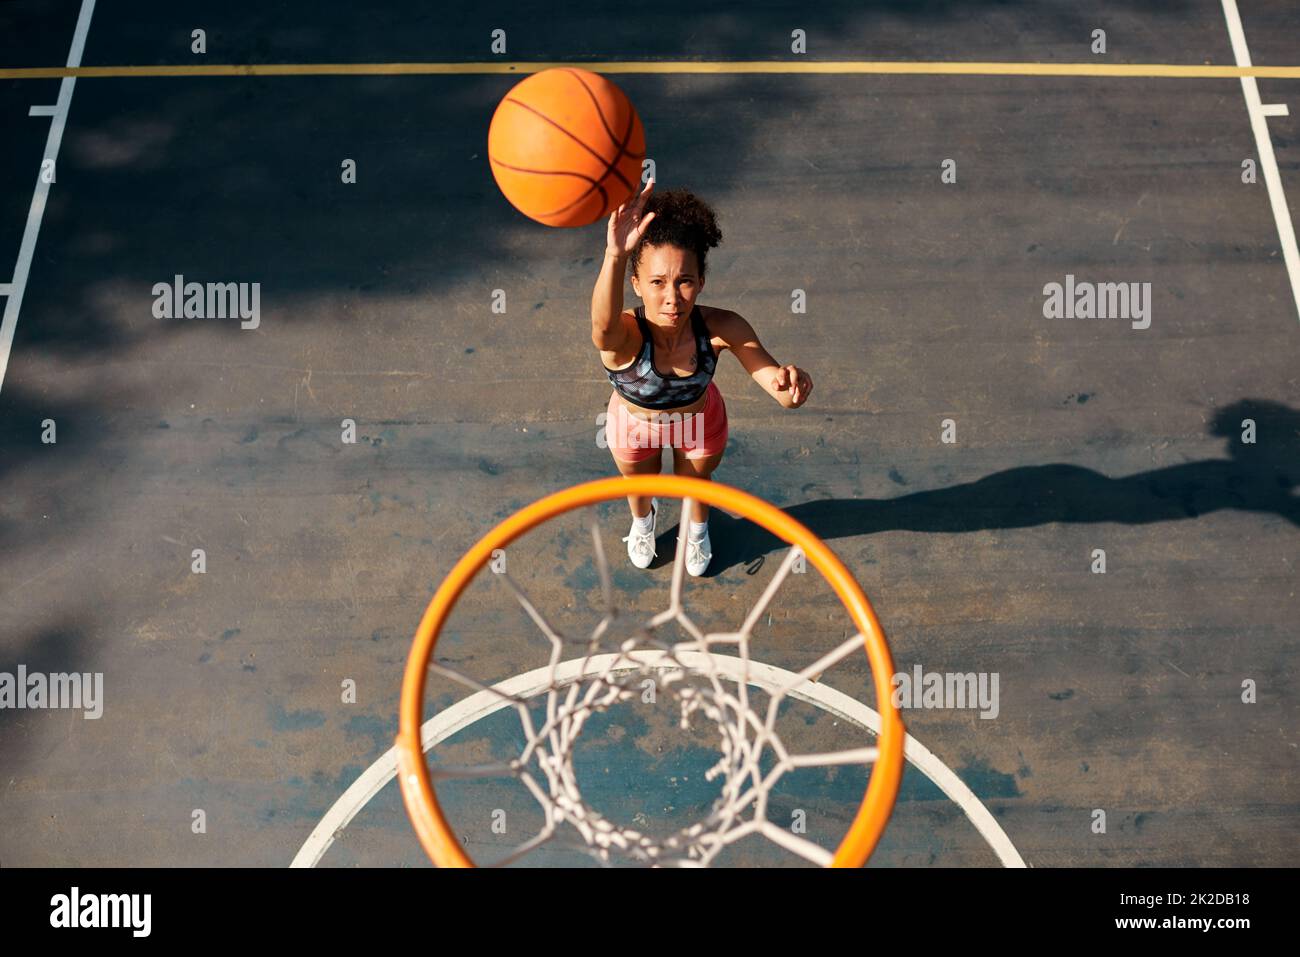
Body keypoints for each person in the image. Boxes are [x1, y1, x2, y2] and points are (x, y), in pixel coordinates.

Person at [590, 177, 813, 575]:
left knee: (696, 484)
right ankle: (643, 522)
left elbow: (776, 386)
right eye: (657, 282)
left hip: (699, 423)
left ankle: (696, 529)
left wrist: (790, 390)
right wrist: (614, 255)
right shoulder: (624, 336)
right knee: (640, 487)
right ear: (636, 283)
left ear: (701, 282)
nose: (672, 297)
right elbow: (601, 328)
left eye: (684, 281)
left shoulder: (722, 327)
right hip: (633, 428)